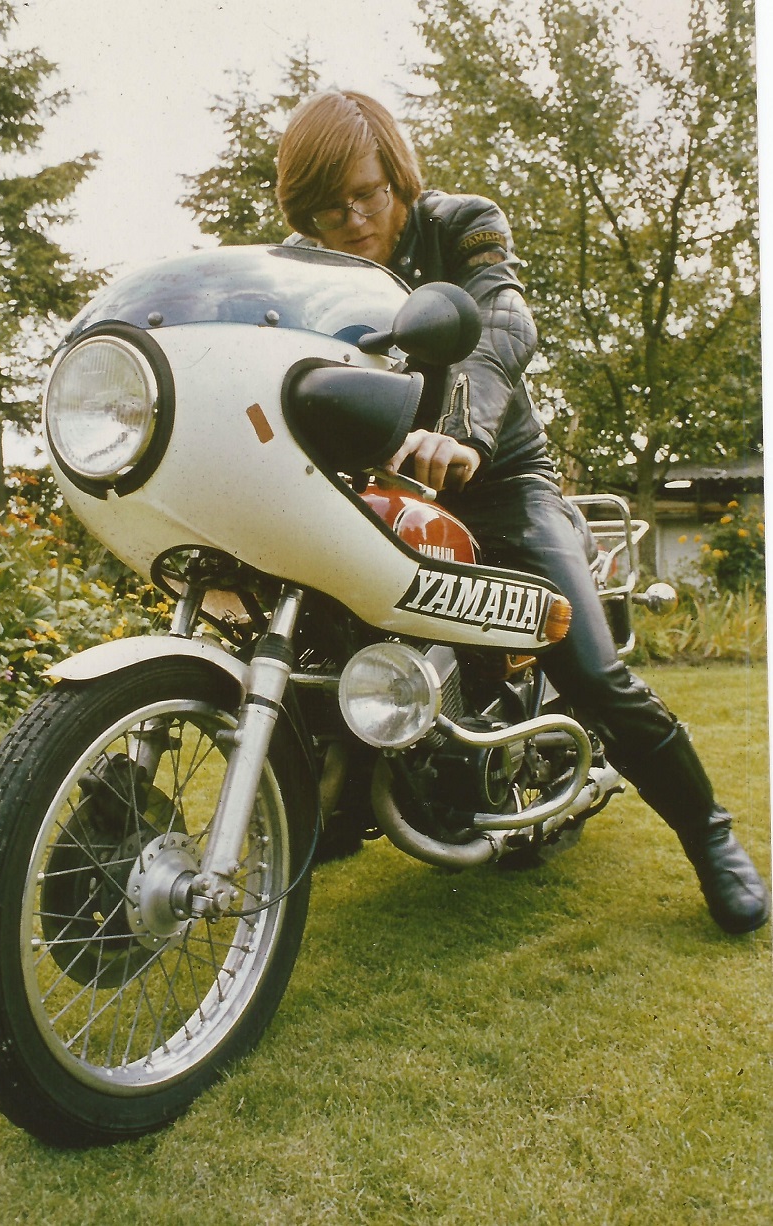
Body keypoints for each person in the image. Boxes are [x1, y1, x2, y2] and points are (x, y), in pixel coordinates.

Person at [275, 89, 770, 934]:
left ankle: (710, 835)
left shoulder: (462, 223)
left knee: (591, 671)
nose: (351, 220)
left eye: (367, 194)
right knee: (297, 642)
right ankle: (339, 805)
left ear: (397, 176)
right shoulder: (301, 266)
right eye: (328, 206)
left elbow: (499, 320)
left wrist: (459, 432)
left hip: (498, 479)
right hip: (369, 487)